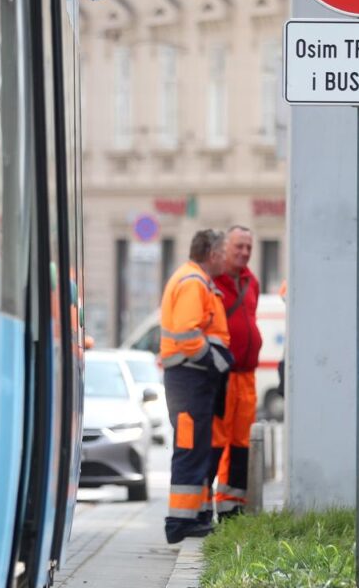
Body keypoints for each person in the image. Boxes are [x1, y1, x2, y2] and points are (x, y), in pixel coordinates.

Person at [160, 229, 234, 544]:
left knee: (198, 448)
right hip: (190, 378)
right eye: (225, 252)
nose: (227, 258)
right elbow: (186, 334)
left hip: (193, 379)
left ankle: (197, 516)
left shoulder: (196, 280)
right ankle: (179, 522)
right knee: (191, 448)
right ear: (212, 254)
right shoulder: (193, 283)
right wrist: (215, 360)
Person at [209, 226, 263, 519]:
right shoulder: (213, 281)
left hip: (247, 376)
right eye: (238, 247)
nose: (244, 253)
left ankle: (232, 506)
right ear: (225, 248)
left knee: (241, 441)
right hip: (223, 375)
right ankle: (207, 502)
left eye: (248, 248)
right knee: (217, 440)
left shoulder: (250, 282)